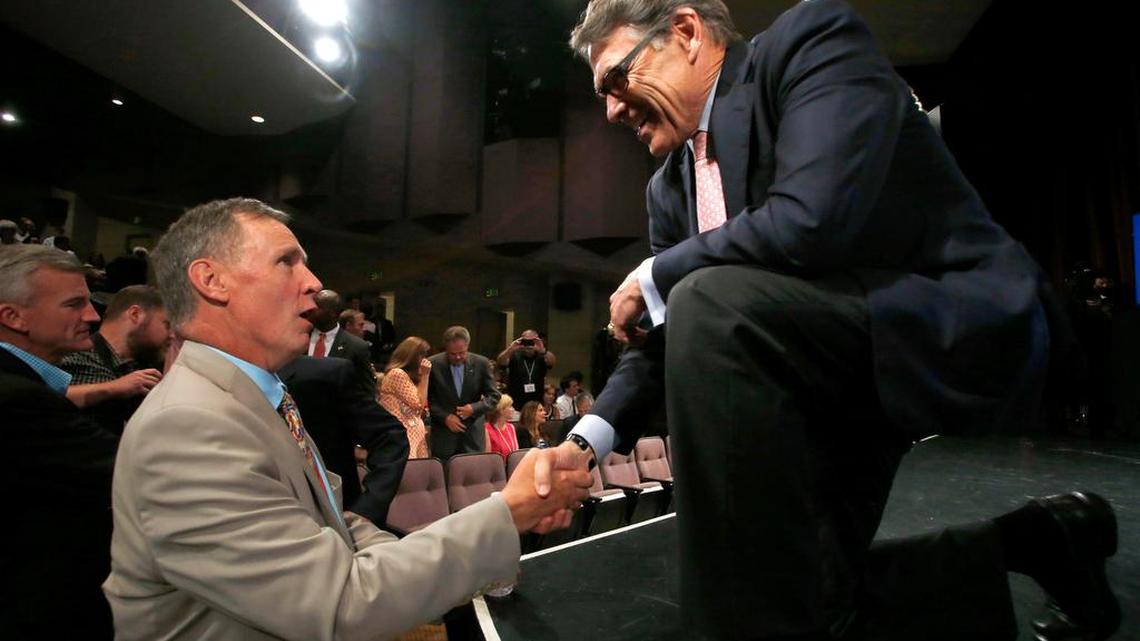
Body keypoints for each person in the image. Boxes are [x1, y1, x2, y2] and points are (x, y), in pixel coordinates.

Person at [529, 2, 1120, 640]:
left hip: (930, 323)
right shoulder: (665, 190)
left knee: (708, 299)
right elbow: (662, 340)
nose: (612, 109)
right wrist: (582, 443)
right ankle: (1041, 538)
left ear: (685, 31)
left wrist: (654, 274)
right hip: (816, 375)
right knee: (816, 600)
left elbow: (813, 219)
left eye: (616, 79)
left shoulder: (809, 46)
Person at [104, 197, 592, 640]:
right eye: (286, 262)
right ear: (212, 281)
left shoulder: (251, 398)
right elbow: (338, 604)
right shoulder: (187, 426)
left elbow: (338, 528)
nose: (314, 283)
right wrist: (507, 514)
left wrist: (481, 546)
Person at [0, 244, 118, 640]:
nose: (93, 315)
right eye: (74, 304)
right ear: (13, 316)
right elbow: (128, 472)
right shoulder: (17, 400)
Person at [278, 355, 409, 522]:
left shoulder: (324, 375)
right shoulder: (236, 386)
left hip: (333, 524)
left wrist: (367, 510)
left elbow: (390, 437)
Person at [61, 284, 172, 434]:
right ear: (135, 315)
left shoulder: (139, 364)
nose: (172, 335)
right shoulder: (80, 357)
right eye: (167, 324)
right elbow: (53, 397)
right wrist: (115, 387)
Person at [427, 325, 501, 458]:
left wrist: (474, 408)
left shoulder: (481, 363)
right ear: (446, 348)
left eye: (461, 353)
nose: (457, 357)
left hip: (472, 436)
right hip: (444, 437)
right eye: (452, 354)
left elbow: (494, 396)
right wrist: (445, 417)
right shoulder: (433, 364)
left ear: (467, 346)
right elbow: (429, 400)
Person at [306, 288, 376, 399]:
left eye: (317, 307)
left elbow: (367, 391)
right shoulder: (300, 338)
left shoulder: (357, 347)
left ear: (333, 313)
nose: (310, 310)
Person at [379, 336, 433, 458]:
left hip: (415, 436)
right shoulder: (396, 374)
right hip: (402, 436)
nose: (424, 360)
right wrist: (425, 375)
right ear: (412, 356)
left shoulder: (410, 377)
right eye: (422, 356)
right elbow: (418, 404)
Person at [496, 328, 556, 408]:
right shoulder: (514, 355)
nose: (528, 345)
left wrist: (542, 350)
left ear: (537, 340)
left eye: (531, 341)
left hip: (536, 403)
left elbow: (552, 362)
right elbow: (500, 361)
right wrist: (511, 348)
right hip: (515, 403)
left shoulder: (542, 355)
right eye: (526, 341)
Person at [484, 394, 519, 460]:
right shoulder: (487, 429)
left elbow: (516, 451)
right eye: (510, 406)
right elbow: (486, 458)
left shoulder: (511, 427)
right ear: (501, 409)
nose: (513, 409)